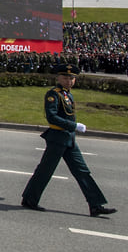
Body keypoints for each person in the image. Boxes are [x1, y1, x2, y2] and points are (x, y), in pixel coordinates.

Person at [21, 63, 117, 217]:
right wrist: (74, 125)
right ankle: (29, 199)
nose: (69, 80)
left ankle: (95, 205)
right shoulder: (53, 94)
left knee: (82, 172)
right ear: (58, 78)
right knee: (45, 171)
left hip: (69, 139)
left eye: (72, 78)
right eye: (65, 77)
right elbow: (52, 117)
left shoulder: (68, 95)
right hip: (57, 138)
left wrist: (73, 129)